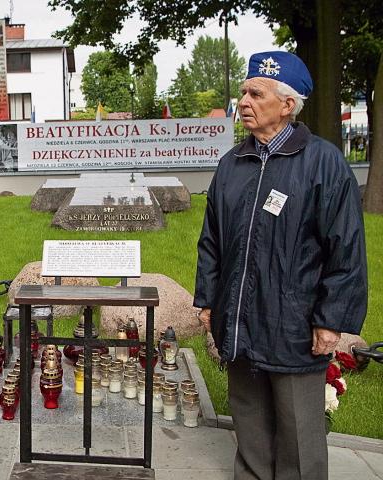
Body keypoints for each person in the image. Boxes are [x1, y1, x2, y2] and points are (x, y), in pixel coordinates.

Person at [194, 51, 367, 479]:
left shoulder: (324, 163)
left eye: (256, 94)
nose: (243, 102)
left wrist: (331, 320)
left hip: (294, 326)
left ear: (287, 104)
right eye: (243, 93)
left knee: (299, 435)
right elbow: (211, 241)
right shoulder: (232, 164)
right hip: (239, 322)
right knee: (249, 425)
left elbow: (346, 250)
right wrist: (208, 300)